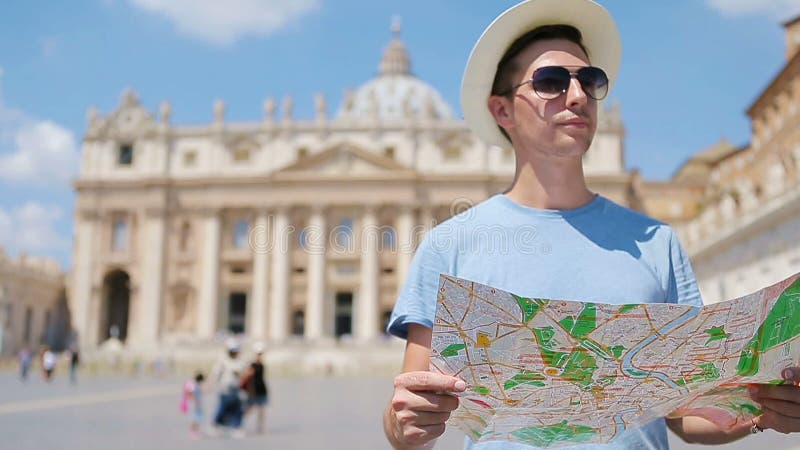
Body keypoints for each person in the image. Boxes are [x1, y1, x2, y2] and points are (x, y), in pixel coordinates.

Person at [382, 1, 800, 449]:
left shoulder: (658, 244)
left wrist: (762, 411)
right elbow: (406, 420)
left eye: (590, 80)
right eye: (551, 82)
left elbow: (687, 415)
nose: (578, 95)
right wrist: (403, 424)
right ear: (502, 110)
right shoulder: (450, 245)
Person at [210, 338, 246, 439]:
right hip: (225, 389)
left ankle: (236, 428)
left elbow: (243, 373)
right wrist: (210, 385)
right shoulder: (223, 362)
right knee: (222, 408)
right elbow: (215, 374)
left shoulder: (239, 362)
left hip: (235, 389)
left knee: (237, 410)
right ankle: (216, 425)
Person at [242, 342, 269, 434]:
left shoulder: (262, 363)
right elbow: (247, 376)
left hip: (262, 389)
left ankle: (260, 428)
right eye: (259, 354)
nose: (260, 356)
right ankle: (238, 423)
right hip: (254, 390)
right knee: (249, 408)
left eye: (261, 354)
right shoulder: (252, 364)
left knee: (262, 410)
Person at [181, 372, 205, 439]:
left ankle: (195, 432)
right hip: (195, 405)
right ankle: (193, 433)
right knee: (196, 419)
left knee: (197, 419)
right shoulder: (195, 386)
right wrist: (196, 404)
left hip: (194, 405)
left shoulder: (194, 385)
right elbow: (193, 396)